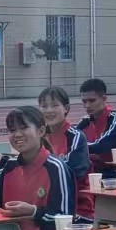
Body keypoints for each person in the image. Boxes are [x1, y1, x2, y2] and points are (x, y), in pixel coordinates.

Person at [38, 86, 94, 220]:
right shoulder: (39, 136)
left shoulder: (75, 137)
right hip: (46, 202)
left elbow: (74, 171)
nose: (49, 110)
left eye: (55, 105)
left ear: (66, 109)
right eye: (44, 106)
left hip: (77, 207)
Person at [77, 77, 116, 179]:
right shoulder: (85, 121)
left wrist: (78, 146)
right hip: (99, 169)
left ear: (104, 99)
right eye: (84, 101)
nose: (87, 105)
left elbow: (101, 146)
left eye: (92, 101)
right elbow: (70, 139)